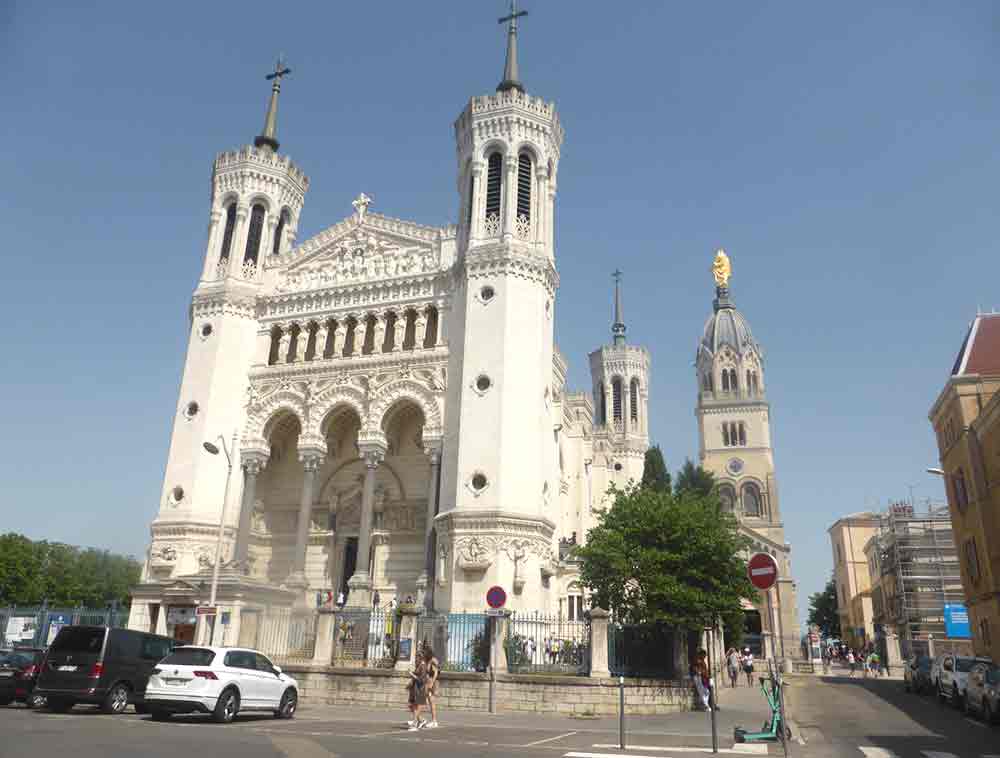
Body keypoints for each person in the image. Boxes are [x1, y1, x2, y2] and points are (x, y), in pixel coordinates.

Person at [406, 657, 428, 730]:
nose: (416, 660)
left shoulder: (423, 666)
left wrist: (412, 674)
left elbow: (421, 680)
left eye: (417, 658)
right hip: (415, 689)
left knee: (416, 707)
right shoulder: (419, 666)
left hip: (420, 689)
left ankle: (414, 724)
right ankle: (421, 720)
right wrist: (410, 684)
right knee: (411, 705)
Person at [422, 643, 441, 729]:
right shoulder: (428, 660)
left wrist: (432, 683)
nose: (423, 653)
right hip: (429, 682)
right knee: (429, 701)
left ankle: (434, 721)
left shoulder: (433, 660)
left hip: (433, 682)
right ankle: (421, 719)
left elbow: (436, 673)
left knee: (431, 701)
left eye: (424, 652)